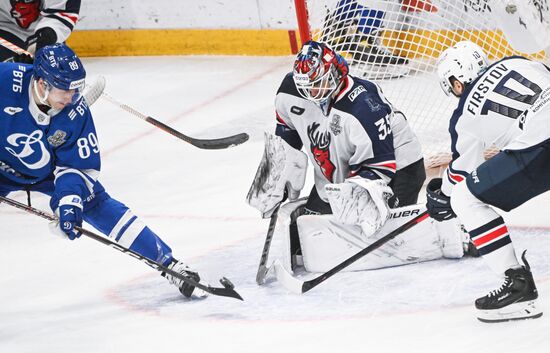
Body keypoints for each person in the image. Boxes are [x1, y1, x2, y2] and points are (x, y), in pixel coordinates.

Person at [247, 40, 471, 274]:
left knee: (381, 242)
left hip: (397, 169)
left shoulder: (363, 106)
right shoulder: (289, 92)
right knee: (306, 242)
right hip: (338, 177)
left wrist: (352, 200)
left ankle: (459, 231)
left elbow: (380, 167)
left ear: (336, 72)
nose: (313, 93)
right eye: (307, 87)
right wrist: (277, 173)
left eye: (318, 84)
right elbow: (287, 134)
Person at [0, 43, 203, 298]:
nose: (72, 97)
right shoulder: (5, 82)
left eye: (76, 89)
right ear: (42, 84)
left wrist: (69, 201)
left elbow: (77, 166)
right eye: (65, 90)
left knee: (96, 203)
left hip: (48, 172)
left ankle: (170, 265)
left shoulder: (75, 110)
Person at [426, 40, 549, 322]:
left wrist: (441, 195)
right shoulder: (518, 60)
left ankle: (519, 288)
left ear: (457, 82)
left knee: (464, 198)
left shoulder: (464, 111)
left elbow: (461, 172)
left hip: (540, 146)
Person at [0, 0, 80, 62]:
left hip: (43, 27)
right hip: (5, 26)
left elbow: (61, 13)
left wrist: (46, 37)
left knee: (52, 73)